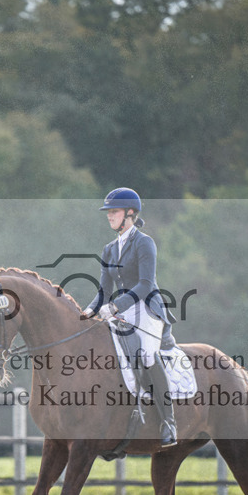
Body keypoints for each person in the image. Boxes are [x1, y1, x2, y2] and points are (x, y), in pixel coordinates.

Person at [83, 187, 177, 447]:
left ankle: (169, 421)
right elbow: (103, 291)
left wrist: (114, 307)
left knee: (146, 354)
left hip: (147, 308)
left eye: (114, 212)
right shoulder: (109, 249)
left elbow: (146, 284)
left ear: (130, 213)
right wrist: (86, 313)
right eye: (108, 213)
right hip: (121, 310)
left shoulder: (144, 242)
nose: (109, 216)